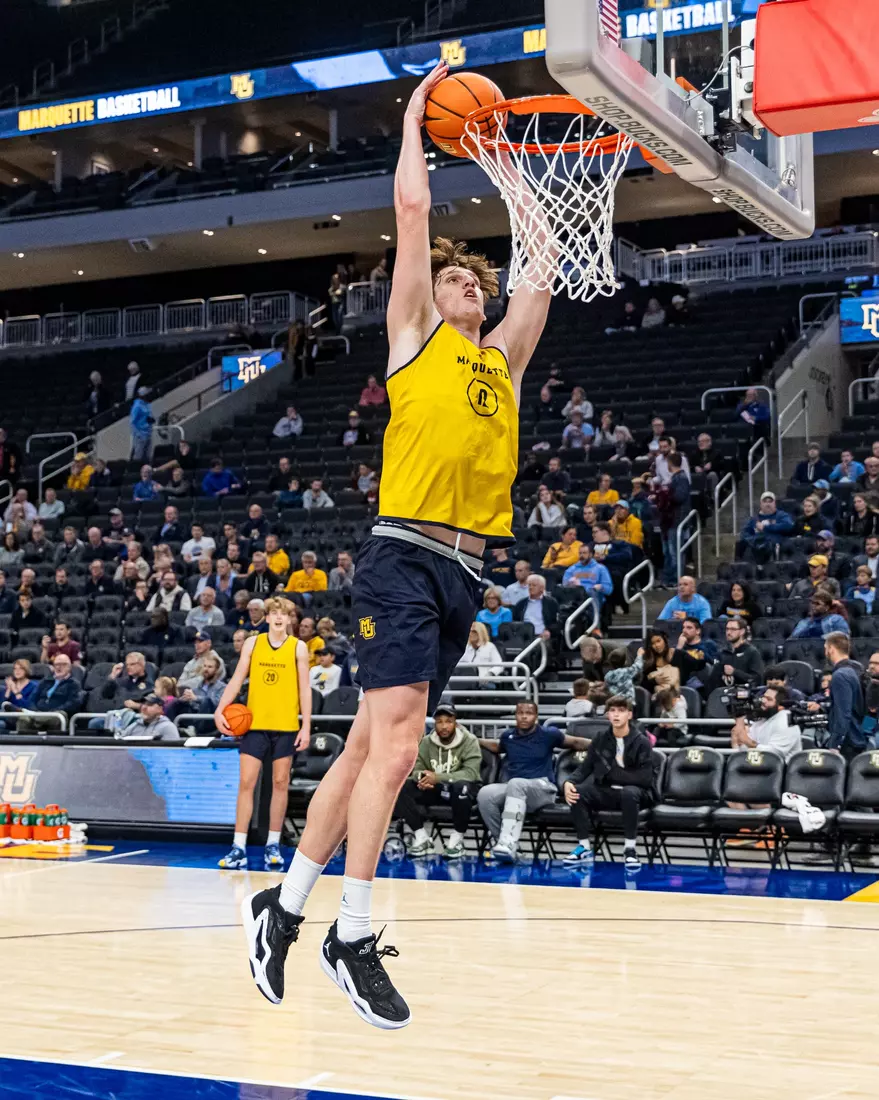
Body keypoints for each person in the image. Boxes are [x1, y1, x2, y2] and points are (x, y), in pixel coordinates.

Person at [238, 60, 556, 1028]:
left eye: (472, 277)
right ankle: (354, 929)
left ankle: (282, 908)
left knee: (369, 748)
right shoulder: (416, 332)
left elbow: (541, 269)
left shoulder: (498, 358)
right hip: (401, 554)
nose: (460, 280)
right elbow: (413, 214)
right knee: (402, 743)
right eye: (454, 274)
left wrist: (510, 164)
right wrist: (421, 115)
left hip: (463, 568)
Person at [216, 597, 310, 869]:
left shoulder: (298, 648)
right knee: (246, 783)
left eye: (285, 613)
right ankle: (238, 846)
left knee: (280, 785)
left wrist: (305, 725)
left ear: (290, 619)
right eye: (275, 613)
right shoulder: (252, 643)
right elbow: (237, 678)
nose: (279, 617)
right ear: (267, 618)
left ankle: (273, 844)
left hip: (286, 726)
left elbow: (305, 688)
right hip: (255, 725)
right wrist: (221, 708)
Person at [478, 701, 588, 861]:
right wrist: (474, 739)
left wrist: (603, 743)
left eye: (528, 713)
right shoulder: (508, 736)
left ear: (535, 716)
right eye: (520, 713)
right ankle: (506, 845)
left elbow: (576, 742)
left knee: (516, 783)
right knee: (485, 794)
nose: (524, 716)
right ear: (515, 715)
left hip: (543, 788)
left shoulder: (548, 734)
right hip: (515, 790)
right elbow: (496, 746)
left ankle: (508, 841)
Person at [562, 695, 655, 870]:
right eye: (612, 710)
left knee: (629, 792)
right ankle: (584, 846)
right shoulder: (600, 739)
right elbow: (586, 767)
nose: (616, 715)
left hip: (637, 793)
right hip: (607, 791)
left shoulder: (641, 741)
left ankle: (630, 848)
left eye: (621, 710)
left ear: (629, 715)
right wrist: (569, 782)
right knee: (578, 792)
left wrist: (611, 774)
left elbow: (644, 778)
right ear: (607, 715)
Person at [395, 703, 482, 859]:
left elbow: (471, 773)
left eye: (448, 721)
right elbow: (418, 768)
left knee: (461, 787)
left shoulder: (469, 740)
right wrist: (422, 778)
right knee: (401, 786)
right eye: (439, 721)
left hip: (461, 790)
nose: (444, 726)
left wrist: (438, 778)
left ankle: (457, 840)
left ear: (456, 722)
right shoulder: (427, 741)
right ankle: (422, 837)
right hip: (435, 789)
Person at [821, 631, 866, 760]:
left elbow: (843, 713)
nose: (825, 652)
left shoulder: (840, 675)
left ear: (831, 649)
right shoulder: (856, 669)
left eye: (825, 648)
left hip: (848, 742)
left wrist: (835, 744)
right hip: (856, 736)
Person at [730, 686, 802, 762]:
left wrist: (749, 742)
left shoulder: (787, 721)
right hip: (759, 768)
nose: (763, 701)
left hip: (781, 770)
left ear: (781, 706)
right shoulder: (763, 718)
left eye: (769, 699)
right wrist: (740, 722)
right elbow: (744, 748)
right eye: (764, 697)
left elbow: (775, 754)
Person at [18, 654, 83, 732]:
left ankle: (36, 718)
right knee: (23, 718)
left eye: (63, 664)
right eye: (56, 664)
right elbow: (32, 698)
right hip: (38, 711)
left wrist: (52, 712)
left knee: (59, 715)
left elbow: (73, 704)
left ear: (69, 667)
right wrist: (35, 710)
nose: (59, 667)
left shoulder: (73, 684)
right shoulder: (45, 681)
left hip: (57, 714)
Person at [658, 453, 691, 587]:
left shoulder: (681, 478)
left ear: (670, 464)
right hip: (671, 520)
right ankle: (671, 579)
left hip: (678, 520)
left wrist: (666, 494)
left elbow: (679, 497)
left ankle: (677, 580)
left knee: (675, 552)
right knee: (671, 552)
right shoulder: (676, 478)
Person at [737, 491, 794, 562]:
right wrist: (754, 540)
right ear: (761, 504)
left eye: (770, 501)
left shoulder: (781, 515)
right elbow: (744, 534)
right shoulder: (754, 519)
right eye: (765, 502)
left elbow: (788, 525)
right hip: (756, 549)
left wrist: (766, 527)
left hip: (775, 548)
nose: (768, 504)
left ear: (775, 504)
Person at [512, 575, 560, 645]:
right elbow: (515, 621)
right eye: (529, 585)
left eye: (534, 585)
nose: (530, 587)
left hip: (542, 637)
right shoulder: (521, 604)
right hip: (524, 637)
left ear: (542, 588)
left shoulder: (551, 603)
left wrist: (549, 631)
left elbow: (557, 622)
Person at [720, 618, 764, 684]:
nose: (728, 632)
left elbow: (757, 679)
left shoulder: (752, 652)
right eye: (727, 629)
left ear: (742, 631)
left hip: (743, 691)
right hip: (722, 691)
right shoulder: (723, 652)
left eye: (733, 629)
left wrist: (734, 672)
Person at [460, 621, 503, 687]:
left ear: (481, 633)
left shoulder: (490, 647)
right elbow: (459, 664)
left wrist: (490, 674)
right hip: (467, 681)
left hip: (485, 681)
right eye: (469, 631)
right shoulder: (466, 647)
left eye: (473, 631)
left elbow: (499, 665)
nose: (470, 634)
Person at [129, 387, 154, 463]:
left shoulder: (147, 405)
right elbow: (132, 422)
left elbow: (149, 417)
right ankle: (136, 472)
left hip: (148, 433)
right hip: (140, 435)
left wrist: (150, 420)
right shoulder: (137, 406)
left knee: (148, 457)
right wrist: (138, 434)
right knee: (138, 457)